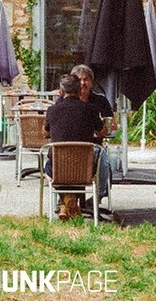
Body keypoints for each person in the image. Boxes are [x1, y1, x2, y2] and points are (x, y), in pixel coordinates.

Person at [43, 74, 110, 221]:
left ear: (61, 92)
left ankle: (66, 201)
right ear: (80, 90)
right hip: (85, 169)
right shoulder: (91, 109)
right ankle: (69, 201)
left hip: (58, 168)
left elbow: (45, 133)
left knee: (48, 163)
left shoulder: (52, 111)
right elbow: (102, 132)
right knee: (98, 157)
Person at [70, 64, 115, 144]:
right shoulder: (66, 100)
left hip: (94, 146)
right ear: (74, 83)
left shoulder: (101, 100)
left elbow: (112, 125)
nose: (83, 83)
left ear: (91, 82)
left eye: (86, 79)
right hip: (69, 144)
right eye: (79, 80)